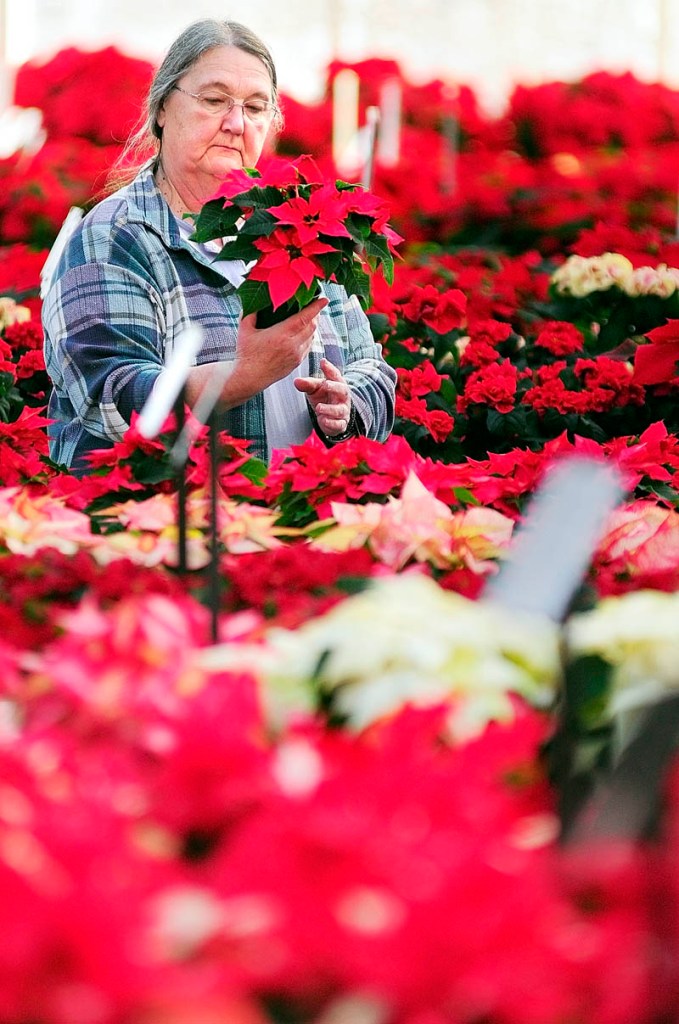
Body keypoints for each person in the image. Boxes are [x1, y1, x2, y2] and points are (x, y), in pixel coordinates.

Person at [42, 18, 397, 473]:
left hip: (299, 519)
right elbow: (107, 394)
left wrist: (346, 409)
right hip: (171, 528)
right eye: (214, 100)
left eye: (255, 107)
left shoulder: (294, 230)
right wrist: (235, 378)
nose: (235, 123)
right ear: (162, 108)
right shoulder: (115, 235)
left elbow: (373, 369)